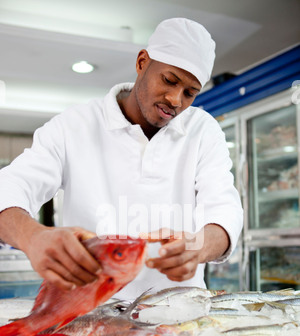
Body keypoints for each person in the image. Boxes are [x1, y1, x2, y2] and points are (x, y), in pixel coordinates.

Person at [0, 18, 243, 301]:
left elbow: (224, 209)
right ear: (142, 62)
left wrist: (198, 245)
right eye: (169, 80)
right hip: (90, 314)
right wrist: (33, 237)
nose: (176, 100)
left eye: (190, 93)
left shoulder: (202, 130)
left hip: (178, 316)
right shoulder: (74, 126)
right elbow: (11, 186)